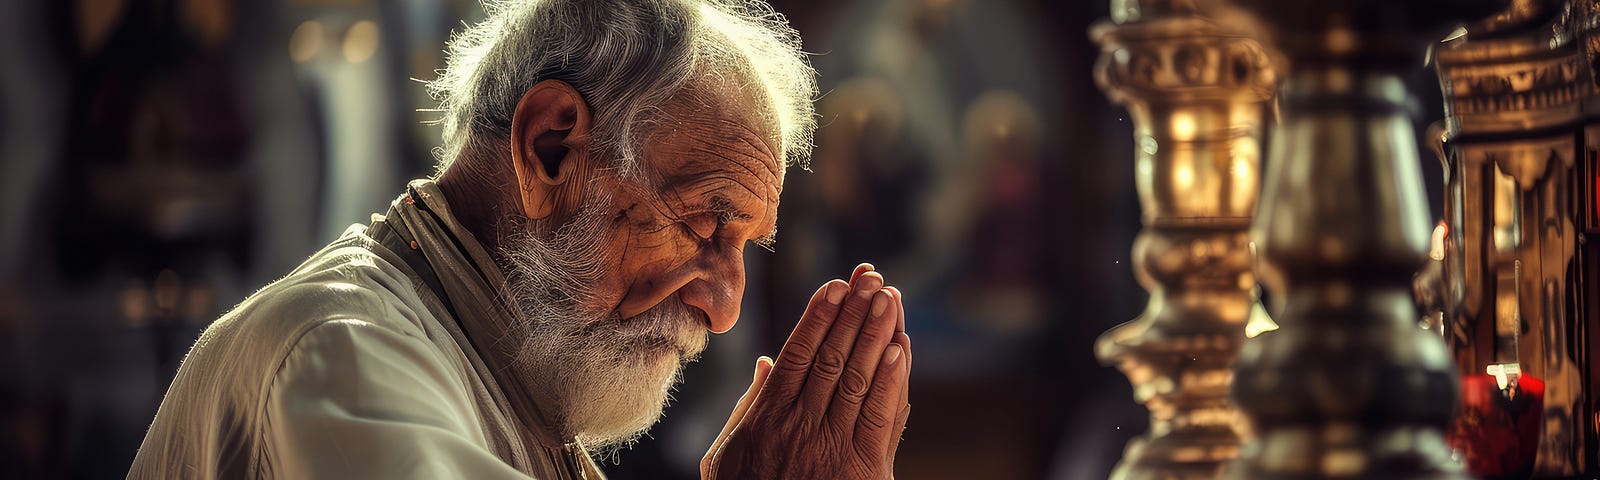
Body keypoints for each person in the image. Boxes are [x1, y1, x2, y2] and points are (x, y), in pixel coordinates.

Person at [127, 0, 912, 478]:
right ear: (551, 150)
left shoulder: (500, 381)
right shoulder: (346, 356)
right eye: (705, 227)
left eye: (746, 246)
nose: (726, 308)